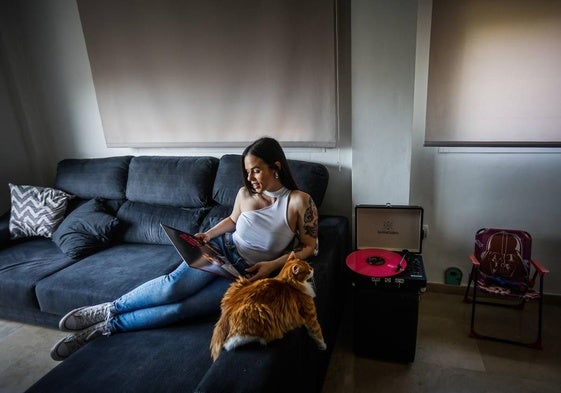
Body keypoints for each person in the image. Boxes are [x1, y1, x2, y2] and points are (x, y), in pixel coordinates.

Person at [50, 137, 319, 361]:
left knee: (178, 310)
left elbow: (310, 246)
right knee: (171, 287)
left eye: (256, 170)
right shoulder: (244, 193)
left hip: (243, 275)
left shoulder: (299, 201)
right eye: (247, 171)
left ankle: (105, 328)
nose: (250, 178)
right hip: (221, 249)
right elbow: (233, 220)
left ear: (276, 167)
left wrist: (274, 265)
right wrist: (207, 235)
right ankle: (108, 309)